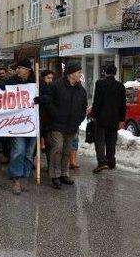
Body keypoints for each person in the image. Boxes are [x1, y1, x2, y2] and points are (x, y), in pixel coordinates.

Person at [45, 61, 88, 190]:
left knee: (67, 151)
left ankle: (64, 174)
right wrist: (56, 115)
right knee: (57, 148)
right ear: (70, 73)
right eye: (78, 72)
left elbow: (83, 107)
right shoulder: (56, 86)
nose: (80, 74)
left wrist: (79, 120)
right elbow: (48, 103)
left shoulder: (81, 90)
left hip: (72, 125)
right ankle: (55, 176)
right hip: (57, 124)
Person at [0, 59, 36, 194]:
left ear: (28, 70)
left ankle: (25, 177)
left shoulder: (36, 81)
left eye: (20, 68)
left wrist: (42, 99)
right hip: (16, 123)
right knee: (18, 150)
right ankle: (16, 179)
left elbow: (48, 96)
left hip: (32, 123)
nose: (17, 70)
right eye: (17, 68)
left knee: (28, 153)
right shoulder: (10, 81)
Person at [91, 64, 127, 174]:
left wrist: (93, 114)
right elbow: (123, 104)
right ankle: (111, 161)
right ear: (115, 73)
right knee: (111, 141)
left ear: (105, 72)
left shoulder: (100, 84)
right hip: (114, 118)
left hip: (101, 118)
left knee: (100, 140)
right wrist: (122, 119)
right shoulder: (120, 86)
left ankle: (101, 162)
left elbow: (97, 101)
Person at [39, 69, 55, 171]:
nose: (50, 80)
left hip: (48, 121)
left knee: (49, 144)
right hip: (39, 120)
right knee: (34, 146)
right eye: (48, 78)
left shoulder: (53, 89)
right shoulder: (38, 88)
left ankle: (51, 167)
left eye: (51, 78)